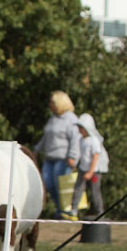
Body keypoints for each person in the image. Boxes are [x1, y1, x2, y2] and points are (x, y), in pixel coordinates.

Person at [34, 90, 81, 219]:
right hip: (49, 158)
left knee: (60, 186)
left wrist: (73, 157)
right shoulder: (53, 119)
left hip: (63, 159)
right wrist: (37, 149)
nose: (50, 104)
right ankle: (61, 209)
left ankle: (63, 212)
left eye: (52, 102)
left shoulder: (71, 119)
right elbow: (46, 137)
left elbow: (75, 140)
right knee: (47, 185)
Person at [63, 113, 108, 220]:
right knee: (78, 189)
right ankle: (73, 211)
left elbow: (96, 157)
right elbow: (81, 154)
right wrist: (75, 164)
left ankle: (100, 212)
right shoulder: (81, 140)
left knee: (95, 192)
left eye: (81, 127)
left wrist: (91, 172)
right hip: (83, 170)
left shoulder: (94, 141)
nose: (79, 130)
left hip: (94, 172)